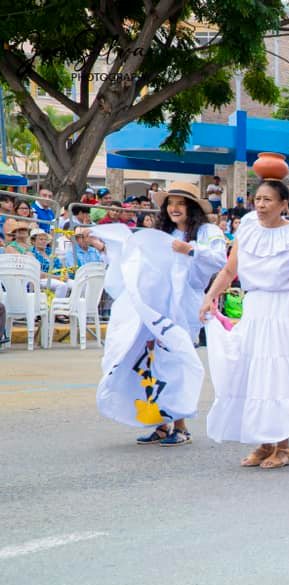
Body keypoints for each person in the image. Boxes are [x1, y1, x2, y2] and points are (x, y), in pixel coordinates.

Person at [200, 179, 289, 469]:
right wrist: (209, 297)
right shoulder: (247, 229)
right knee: (254, 373)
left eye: (268, 200)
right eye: (257, 199)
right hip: (257, 308)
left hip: (288, 308)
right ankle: (265, 442)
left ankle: (283, 445)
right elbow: (230, 270)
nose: (261, 205)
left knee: (281, 374)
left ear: (283, 204)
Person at [89, 181, 227, 447]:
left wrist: (189, 249)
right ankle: (160, 424)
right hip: (155, 306)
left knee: (176, 361)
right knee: (149, 361)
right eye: (170, 203)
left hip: (184, 305)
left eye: (181, 203)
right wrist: (103, 247)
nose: (174, 208)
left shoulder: (206, 231)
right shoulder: (163, 232)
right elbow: (135, 260)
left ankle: (181, 425)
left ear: (192, 207)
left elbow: (220, 258)